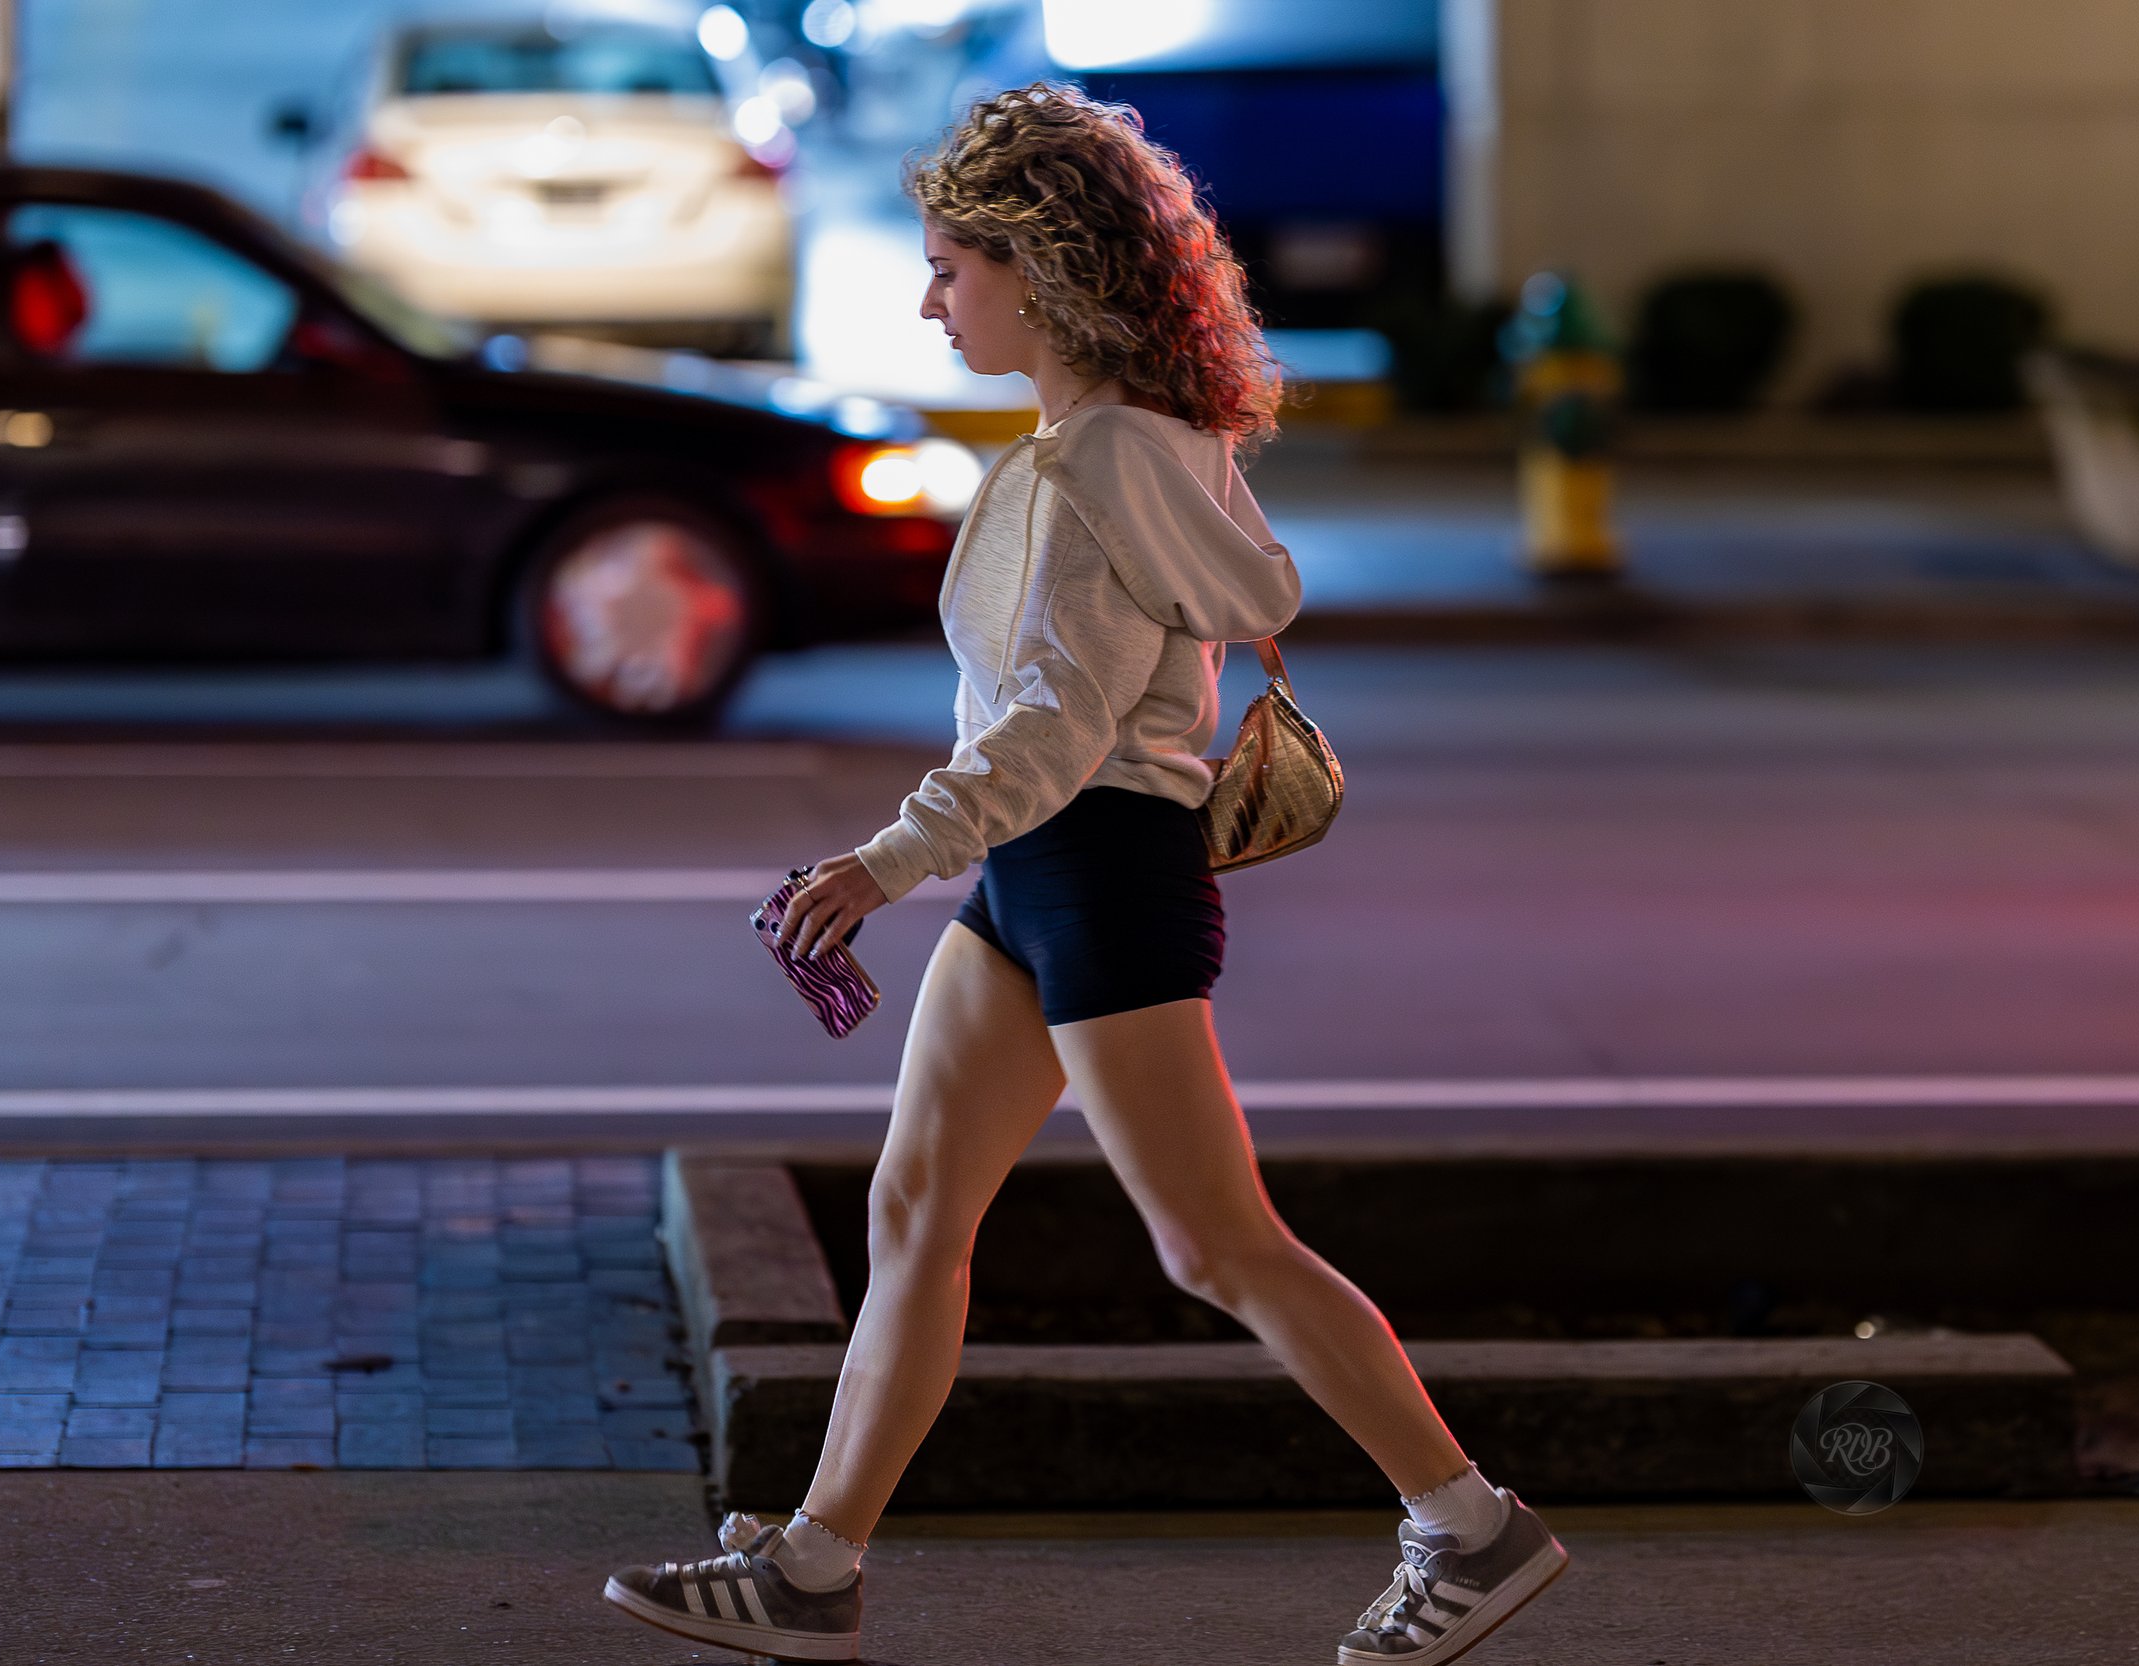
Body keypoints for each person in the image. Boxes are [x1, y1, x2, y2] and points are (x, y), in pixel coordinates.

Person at [603, 81, 1568, 1665]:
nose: (929, 297)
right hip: (1043, 881)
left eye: (950, 267)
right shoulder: (1133, 446)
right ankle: (814, 1566)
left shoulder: (1096, 466)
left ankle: (1470, 1525)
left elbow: (1055, 723)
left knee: (1214, 1243)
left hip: (1098, 871)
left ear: (1042, 266)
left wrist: (888, 856)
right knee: (916, 1204)